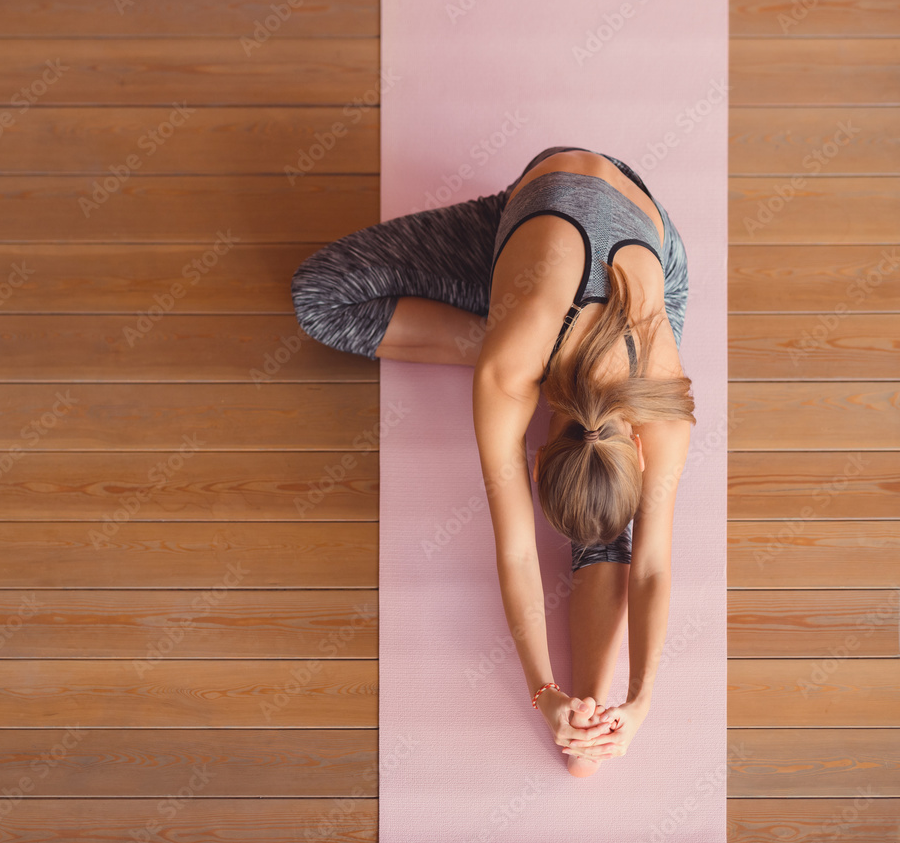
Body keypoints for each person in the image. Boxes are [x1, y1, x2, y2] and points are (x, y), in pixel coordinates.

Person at [291, 146, 696, 777]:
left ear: (639, 451)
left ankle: (591, 731)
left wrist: (637, 701)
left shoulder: (662, 397)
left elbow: (650, 566)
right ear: (535, 462)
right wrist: (543, 694)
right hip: (531, 219)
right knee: (320, 299)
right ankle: (535, 346)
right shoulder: (505, 378)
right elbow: (515, 552)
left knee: (600, 508)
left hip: (647, 257)